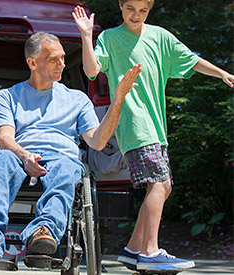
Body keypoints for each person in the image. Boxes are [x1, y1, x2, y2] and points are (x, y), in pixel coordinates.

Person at [72, 0, 234, 270]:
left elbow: (192, 60)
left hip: (156, 126)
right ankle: (150, 251)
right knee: (159, 184)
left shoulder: (160, 37)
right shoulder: (110, 38)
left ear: (149, 11)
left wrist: (221, 73)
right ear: (121, 6)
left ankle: (133, 249)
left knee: (161, 186)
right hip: (133, 123)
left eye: (142, 11)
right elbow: (91, 71)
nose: (135, 15)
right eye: (130, 8)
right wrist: (86, 36)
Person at [0, 32, 141, 262]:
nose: (61, 64)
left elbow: (98, 142)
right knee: (2, 158)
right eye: (54, 59)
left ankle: (44, 232)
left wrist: (118, 99)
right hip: (18, 155)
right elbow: (5, 137)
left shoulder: (78, 99)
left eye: (62, 58)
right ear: (32, 63)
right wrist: (24, 155)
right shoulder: (7, 97)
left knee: (68, 166)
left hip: (62, 157)